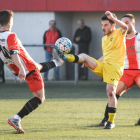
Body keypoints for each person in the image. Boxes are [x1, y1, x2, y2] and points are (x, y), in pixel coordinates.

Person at [0, 10, 63, 134]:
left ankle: (56, 62)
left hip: (17, 68)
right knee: (40, 98)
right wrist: (22, 68)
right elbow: (14, 53)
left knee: (37, 67)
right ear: (9, 21)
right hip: (25, 67)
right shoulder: (11, 35)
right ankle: (16, 118)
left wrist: (19, 69)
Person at [62, 11, 128, 129]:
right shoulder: (103, 39)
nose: (103, 27)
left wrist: (114, 18)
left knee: (110, 91)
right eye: (102, 25)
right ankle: (66, 56)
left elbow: (126, 27)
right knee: (84, 55)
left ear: (113, 25)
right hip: (104, 66)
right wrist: (90, 63)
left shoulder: (119, 32)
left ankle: (111, 122)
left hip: (115, 68)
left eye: (106, 25)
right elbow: (105, 57)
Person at [99, 13, 140, 126]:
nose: (124, 25)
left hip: (139, 71)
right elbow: (107, 55)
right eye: (123, 22)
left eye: (127, 23)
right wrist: (94, 63)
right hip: (125, 72)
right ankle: (106, 119)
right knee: (114, 92)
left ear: (133, 23)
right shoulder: (119, 38)